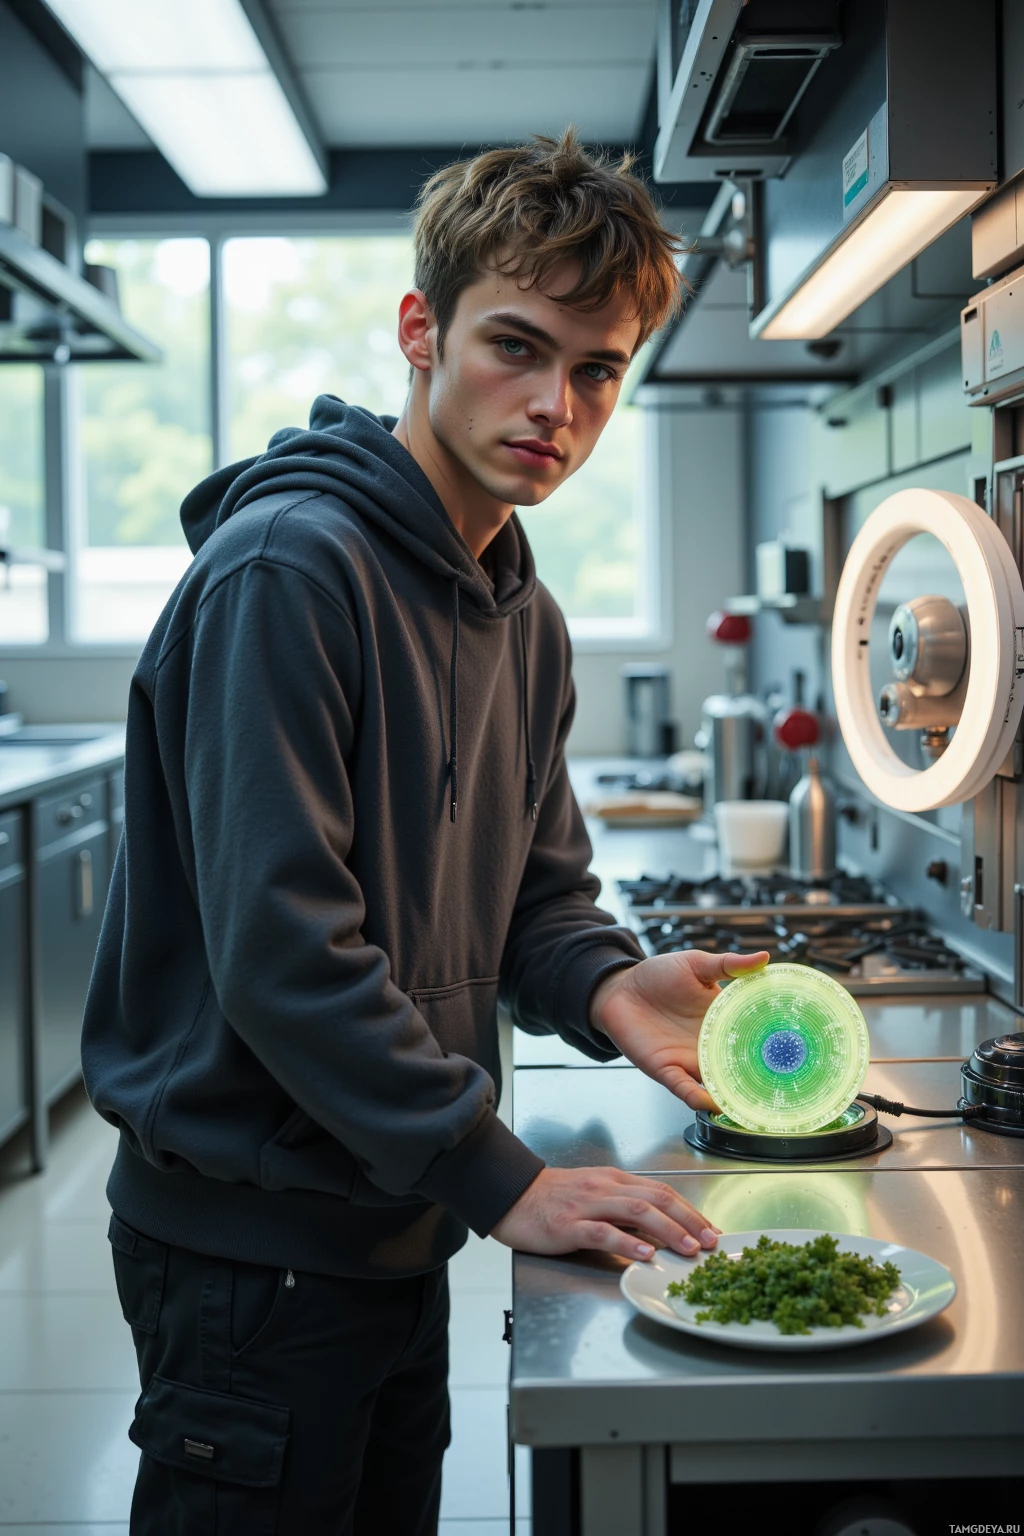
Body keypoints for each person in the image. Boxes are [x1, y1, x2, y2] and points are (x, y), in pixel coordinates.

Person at [82, 129, 768, 1533]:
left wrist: (604, 982)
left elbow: (537, 898)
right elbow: (284, 956)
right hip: (249, 1247)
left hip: (394, 1217)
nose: (553, 405)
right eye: (517, 346)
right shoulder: (288, 573)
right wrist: (496, 1173)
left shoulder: (523, 616)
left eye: (595, 371)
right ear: (420, 329)